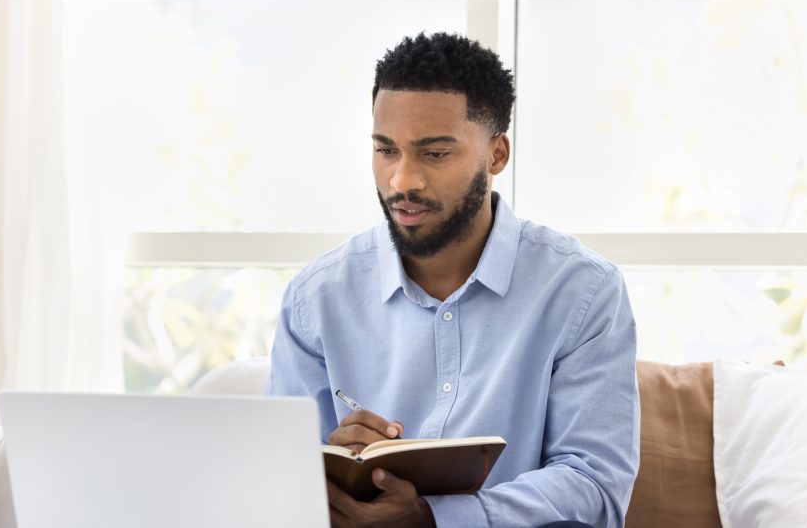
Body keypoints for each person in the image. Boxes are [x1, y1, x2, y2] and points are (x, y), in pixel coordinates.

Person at [266, 32, 639, 528]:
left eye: (435, 154)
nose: (402, 180)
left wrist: (433, 518)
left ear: (496, 155)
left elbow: (595, 487)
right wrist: (339, 473)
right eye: (386, 150)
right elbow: (277, 487)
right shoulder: (316, 298)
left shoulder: (582, 292)